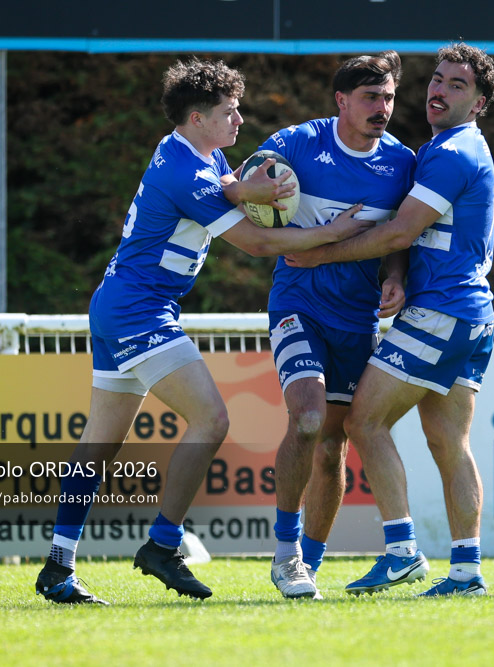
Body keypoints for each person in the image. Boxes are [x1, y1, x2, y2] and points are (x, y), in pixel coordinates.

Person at [34, 57, 373, 605]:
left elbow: (224, 187)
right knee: (212, 418)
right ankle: (162, 544)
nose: (240, 122)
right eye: (229, 112)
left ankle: (57, 567)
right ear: (197, 117)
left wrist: (243, 191)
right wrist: (334, 232)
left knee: (99, 444)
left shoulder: (199, 153)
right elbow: (258, 244)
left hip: (120, 303)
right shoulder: (183, 170)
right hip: (138, 310)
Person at [285, 42, 494, 596]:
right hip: (470, 314)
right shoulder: (445, 148)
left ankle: (403, 550)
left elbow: (400, 230)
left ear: (479, 104)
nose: (440, 89)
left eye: (458, 85)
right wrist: (398, 275)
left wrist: (318, 252)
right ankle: (467, 571)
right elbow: (409, 240)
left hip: (442, 312)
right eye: (437, 79)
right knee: (448, 442)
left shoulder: (452, 153)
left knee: (363, 421)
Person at [254, 52, 416, 599]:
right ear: (341, 100)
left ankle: (311, 567)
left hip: (358, 320)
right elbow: (245, 184)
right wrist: (260, 188)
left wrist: (395, 276)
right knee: (306, 419)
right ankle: (285, 555)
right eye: (371, 97)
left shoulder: (400, 162)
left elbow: (400, 233)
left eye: (389, 97)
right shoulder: (298, 143)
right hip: (298, 305)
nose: (383, 108)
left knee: (330, 447)